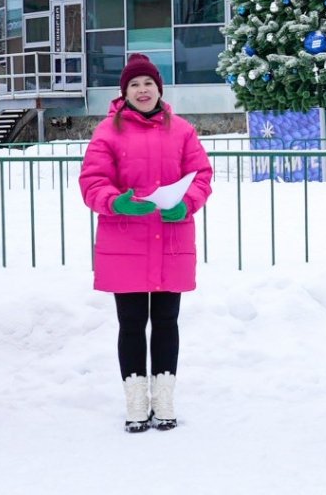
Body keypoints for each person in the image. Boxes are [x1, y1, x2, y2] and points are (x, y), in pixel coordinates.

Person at [79, 53, 213, 432]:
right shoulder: (108, 131)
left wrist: (187, 203)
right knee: (133, 323)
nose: (142, 90)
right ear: (124, 92)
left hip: (171, 240)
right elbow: (92, 181)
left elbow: (201, 175)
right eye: (134, 85)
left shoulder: (183, 130)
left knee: (167, 321)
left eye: (148, 84)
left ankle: (165, 398)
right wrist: (113, 201)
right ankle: (136, 401)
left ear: (159, 89)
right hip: (127, 242)